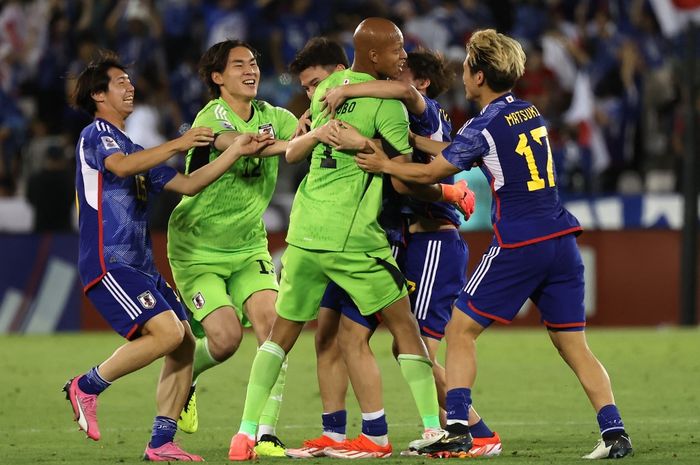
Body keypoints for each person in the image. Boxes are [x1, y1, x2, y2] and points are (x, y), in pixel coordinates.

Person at [354, 29, 633, 460]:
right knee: (573, 344)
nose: (462, 75)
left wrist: (383, 162)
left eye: (466, 67)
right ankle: (614, 431)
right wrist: (412, 142)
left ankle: (459, 428)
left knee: (459, 330)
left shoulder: (483, 124)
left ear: (479, 75)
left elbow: (431, 174)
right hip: (562, 240)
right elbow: (458, 150)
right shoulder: (529, 112)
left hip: (521, 240)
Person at [228, 18, 474, 461]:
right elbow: (399, 175)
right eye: (397, 49)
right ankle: (434, 430)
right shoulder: (387, 106)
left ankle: (245, 433)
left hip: (303, 232)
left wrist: (322, 132)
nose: (404, 56)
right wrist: (442, 185)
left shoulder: (328, 90)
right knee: (405, 331)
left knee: (282, 338)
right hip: (352, 236)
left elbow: (295, 150)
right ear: (375, 56)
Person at [64, 51, 274, 462]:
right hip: (109, 263)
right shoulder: (97, 136)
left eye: (129, 80)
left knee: (183, 344)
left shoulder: (136, 147)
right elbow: (121, 168)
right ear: (97, 94)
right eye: (120, 81)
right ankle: (87, 386)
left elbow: (190, 184)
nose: (130, 87)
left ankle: (161, 442)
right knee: (166, 334)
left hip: (141, 265)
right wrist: (178, 142)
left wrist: (234, 152)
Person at [319, 48, 502, 458]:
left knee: (415, 347)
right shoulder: (405, 122)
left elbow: (408, 180)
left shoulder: (422, 109)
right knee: (384, 341)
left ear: (418, 83)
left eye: (401, 72)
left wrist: (348, 86)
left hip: (433, 240)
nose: (391, 78)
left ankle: (475, 432)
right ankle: (432, 431)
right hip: (407, 241)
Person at [166, 39, 298, 457]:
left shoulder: (275, 115)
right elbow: (233, 143)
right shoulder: (211, 116)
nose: (251, 69)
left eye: (255, 62)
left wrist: (316, 128)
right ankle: (188, 376)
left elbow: (305, 135)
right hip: (196, 246)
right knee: (224, 340)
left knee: (274, 330)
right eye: (239, 64)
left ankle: (264, 432)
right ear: (217, 77)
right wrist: (290, 144)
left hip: (246, 246)